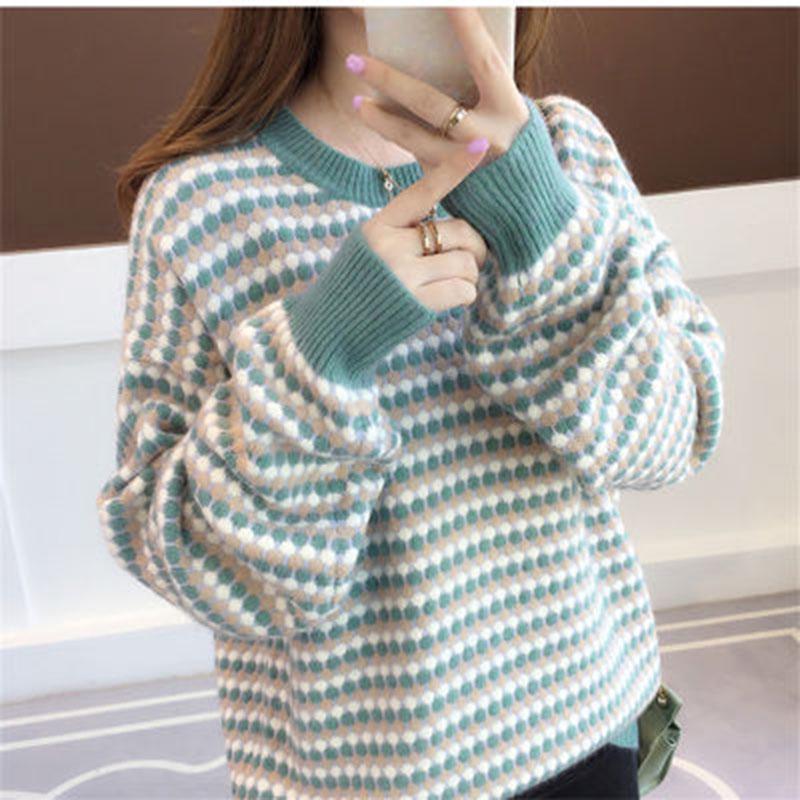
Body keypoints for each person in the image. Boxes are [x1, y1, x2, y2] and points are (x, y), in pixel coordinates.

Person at [96, 7, 725, 799]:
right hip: (364, 776)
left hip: (586, 725)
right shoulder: (201, 203)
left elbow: (676, 432)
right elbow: (190, 562)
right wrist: (321, 346)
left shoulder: (566, 148)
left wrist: (541, 223)